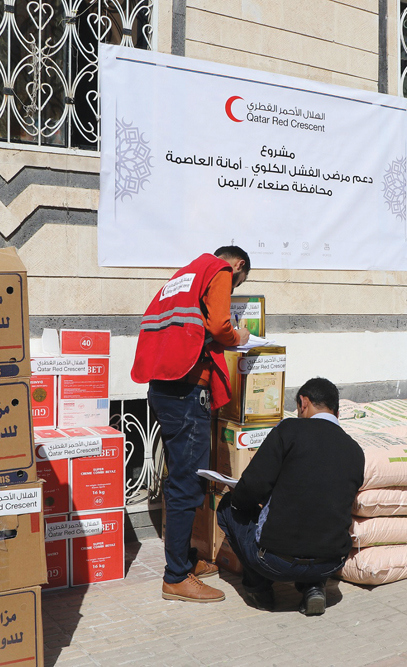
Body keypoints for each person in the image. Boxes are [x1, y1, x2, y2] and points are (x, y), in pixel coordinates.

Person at [131, 246, 252, 603]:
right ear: (239, 266)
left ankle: (182, 559)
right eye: (238, 283)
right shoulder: (219, 271)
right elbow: (218, 326)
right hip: (186, 394)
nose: (232, 288)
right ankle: (175, 577)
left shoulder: (182, 277)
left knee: (178, 479)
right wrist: (238, 338)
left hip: (163, 388)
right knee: (188, 483)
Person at [217, 377, 365, 616]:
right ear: (336, 412)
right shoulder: (355, 450)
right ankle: (314, 586)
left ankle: (259, 590)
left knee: (227, 508)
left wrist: (241, 500)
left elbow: (252, 487)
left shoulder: (289, 430)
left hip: (276, 562)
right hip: (332, 562)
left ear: (303, 403)